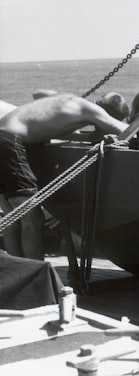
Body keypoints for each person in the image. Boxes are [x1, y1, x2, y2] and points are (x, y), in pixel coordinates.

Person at [0, 92, 129, 260]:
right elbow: (125, 130)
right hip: (8, 143)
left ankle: (19, 273)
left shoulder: (70, 100)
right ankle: (37, 277)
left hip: (3, 136)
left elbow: (44, 111)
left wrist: (91, 136)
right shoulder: (92, 110)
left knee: (13, 217)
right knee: (32, 218)